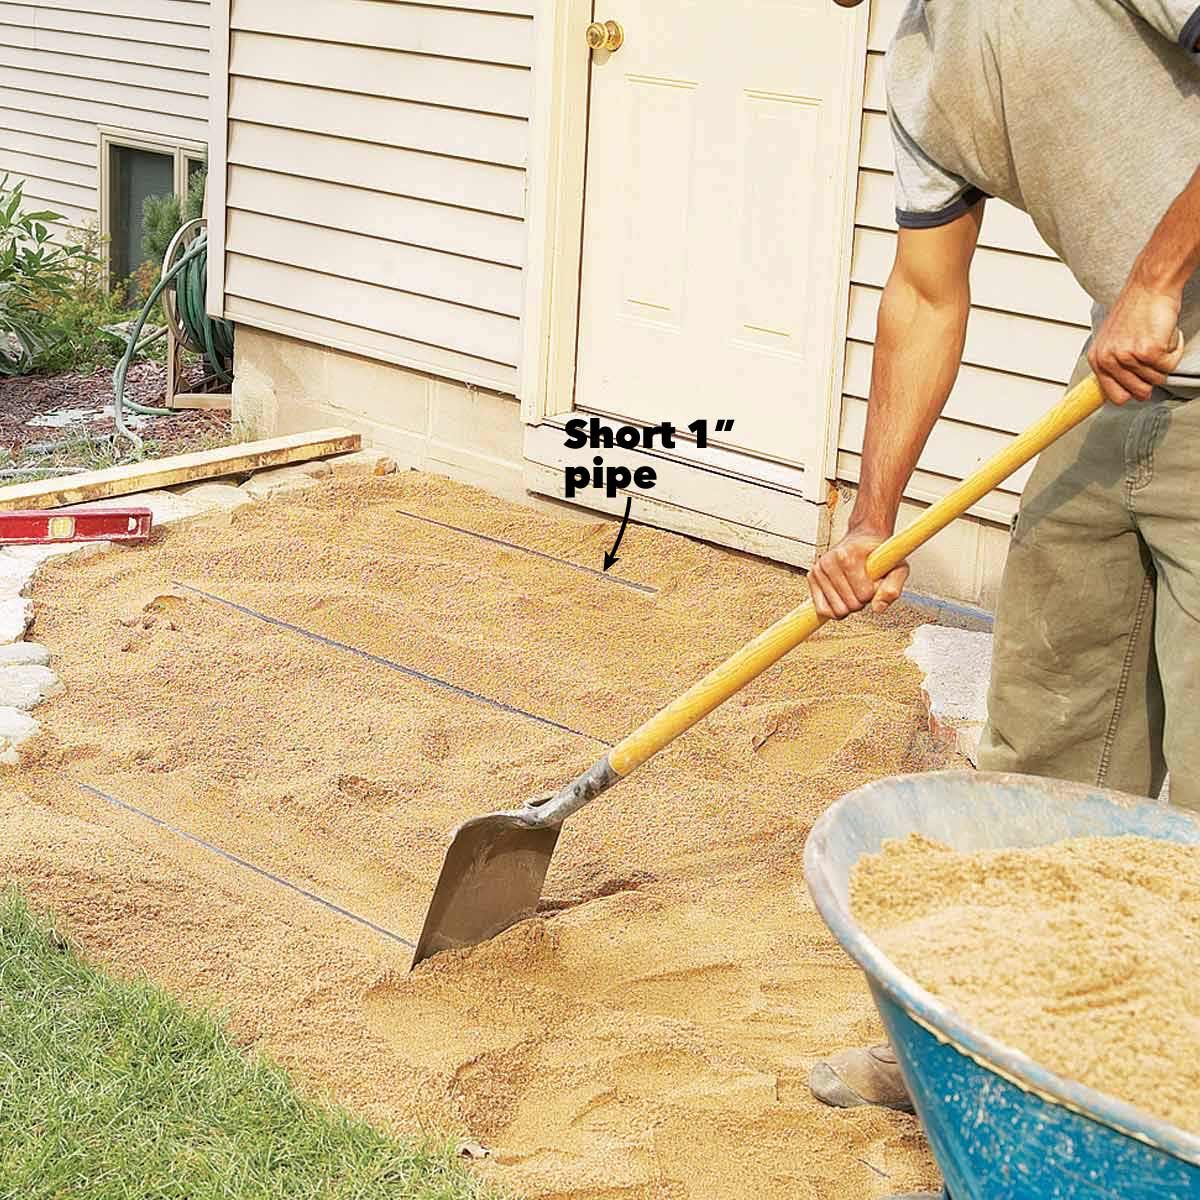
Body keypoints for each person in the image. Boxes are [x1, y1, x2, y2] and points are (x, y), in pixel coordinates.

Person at [809, 2, 1200, 1196]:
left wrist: (1156, 273)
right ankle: (989, 1049)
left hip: (1163, 340)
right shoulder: (925, 72)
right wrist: (873, 518)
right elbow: (927, 294)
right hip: (1124, 387)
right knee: (1048, 736)